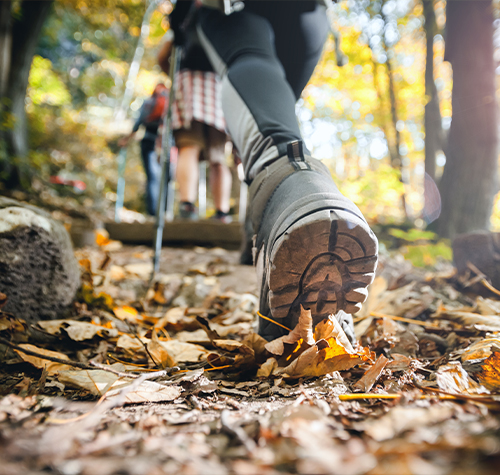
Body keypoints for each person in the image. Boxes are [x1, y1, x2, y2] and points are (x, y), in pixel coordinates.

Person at [170, 0, 379, 343]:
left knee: (252, 66)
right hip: (309, 18)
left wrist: (180, 19)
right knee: (270, 108)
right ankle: (271, 216)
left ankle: (289, 187)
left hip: (231, 11)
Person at [158, 15, 232, 222]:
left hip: (188, 84)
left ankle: (186, 205)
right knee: (218, 156)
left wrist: (175, 73)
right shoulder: (223, 23)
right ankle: (222, 212)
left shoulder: (186, 19)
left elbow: (163, 56)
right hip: (218, 89)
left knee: (188, 147)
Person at [118, 83, 168, 216]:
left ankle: (153, 213)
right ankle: (165, 212)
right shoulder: (171, 101)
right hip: (167, 144)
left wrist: (126, 140)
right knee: (166, 178)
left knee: (152, 178)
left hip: (148, 141)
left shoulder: (148, 102)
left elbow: (138, 123)